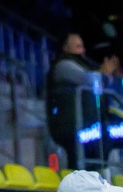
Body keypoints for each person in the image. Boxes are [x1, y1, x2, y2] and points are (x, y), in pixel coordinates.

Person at [46, 33, 96, 169]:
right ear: (66, 48)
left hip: (84, 123)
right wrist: (103, 73)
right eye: (78, 47)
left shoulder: (81, 64)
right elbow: (88, 79)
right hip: (69, 124)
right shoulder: (63, 65)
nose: (83, 50)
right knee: (77, 162)